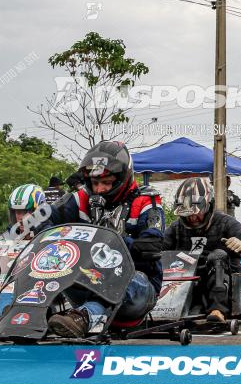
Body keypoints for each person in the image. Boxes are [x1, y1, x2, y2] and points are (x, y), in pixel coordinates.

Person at [45, 141, 165, 338]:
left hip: (138, 287)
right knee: (50, 261)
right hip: (85, 279)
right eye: (95, 182)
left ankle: (85, 317)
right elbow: (45, 217)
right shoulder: (80, 198)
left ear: (122, 178)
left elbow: (154, 244)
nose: (99, 189)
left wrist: (116, 243)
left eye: (106, 182)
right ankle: (26, 315)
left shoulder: (146, 201)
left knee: (119, 276)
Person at [164, 177, 241, 323]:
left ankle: (218, 310)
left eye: (197, 212)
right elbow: (159, 250)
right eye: (187, 213)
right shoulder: (176, 227)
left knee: (218, 255)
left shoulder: (226, 222)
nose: (192, 217)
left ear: (208, 206)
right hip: (188, 286)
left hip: (224, 287)